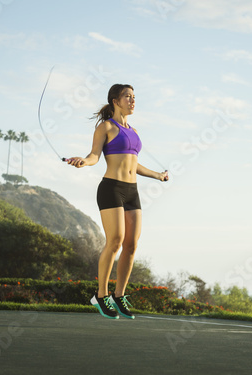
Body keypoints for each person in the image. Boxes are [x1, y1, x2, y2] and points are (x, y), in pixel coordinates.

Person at [66, 84, 168, 319]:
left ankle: (118, 295)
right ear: (115, 100)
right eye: (127, 97)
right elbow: (94, 155)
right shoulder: (106, 127)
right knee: (116, 241)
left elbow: (134, 164)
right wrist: (83, 160)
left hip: (132, 191)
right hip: (111, 189)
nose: (132, 101)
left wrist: (157, 175)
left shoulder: (134, 131)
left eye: (134, 97)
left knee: (131, 245)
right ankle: (101, 295)